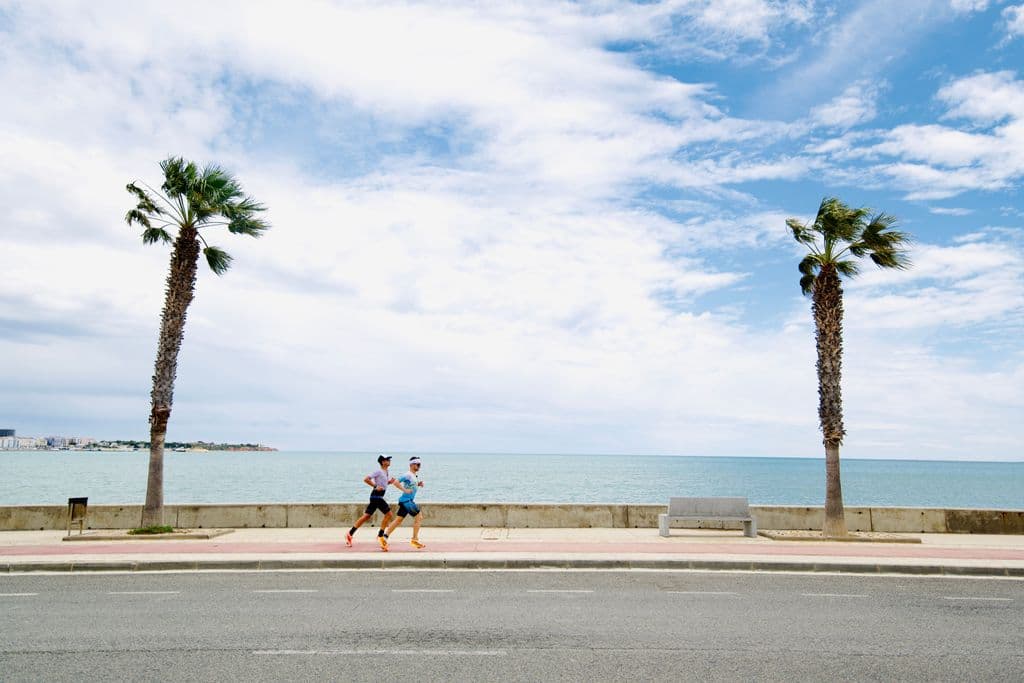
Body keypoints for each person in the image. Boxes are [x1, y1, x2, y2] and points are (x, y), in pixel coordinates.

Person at [345, 454, 396, 549]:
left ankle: (349, 533)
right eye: (387, 459)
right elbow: (366, 479)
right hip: (376, 496)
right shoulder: (378, 471)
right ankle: (380, 536)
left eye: (389, 459)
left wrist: (389, 482)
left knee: (366, 516)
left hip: (377, 496)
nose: (389, 461)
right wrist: (376, 486)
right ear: (383, 462)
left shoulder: (386, 471)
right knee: (389, 514)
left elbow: (382, 484)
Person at [381, 456, 426, 550]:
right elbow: (396, 482)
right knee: (419, 516)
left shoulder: (413, 476)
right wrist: (404, 490)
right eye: (417, 464)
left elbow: (411, 485)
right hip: (407, 501)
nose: (419, 466)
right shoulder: (408, 475)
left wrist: (418, 484)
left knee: (398, 520)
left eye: (419, 464)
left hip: (405, 501)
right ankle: (414, 539)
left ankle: (384, 537)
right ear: (412, 464)